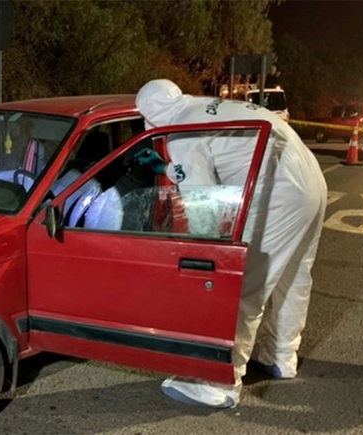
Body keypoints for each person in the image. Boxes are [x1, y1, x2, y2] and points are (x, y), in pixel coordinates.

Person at [135, 79, 327, 408]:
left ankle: (216, 383)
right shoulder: (203, 107)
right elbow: (213, 158)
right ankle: (279, 356)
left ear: (150, 116)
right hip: (310, 180)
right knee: (293, 277)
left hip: (277, 191)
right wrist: (167, 168)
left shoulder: (181, 132)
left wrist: (207, 257)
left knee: (242, 286)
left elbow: (203, 203)